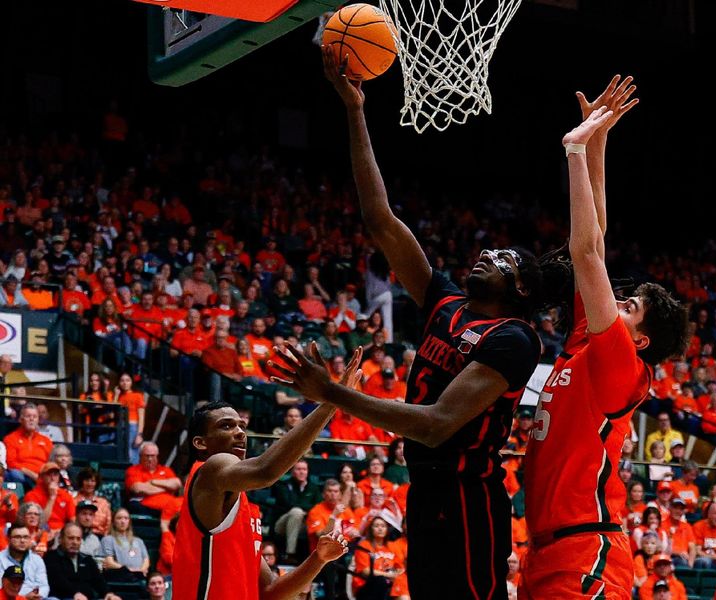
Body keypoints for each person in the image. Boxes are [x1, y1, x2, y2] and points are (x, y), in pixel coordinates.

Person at [275, 48, 552, 600]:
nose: (484, 256)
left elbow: (434, 423)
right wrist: (354, 109)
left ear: (520, 288)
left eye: (500, 260)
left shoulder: (515, 340)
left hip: (468, 493)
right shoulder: (443, 301)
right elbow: (379, 219)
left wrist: (330, 391)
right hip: (424, 491)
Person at [518, 86, 688, 599]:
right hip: (545, 550)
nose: (616, 304)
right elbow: (599, 237)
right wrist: (598, 142)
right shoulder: (586, 344)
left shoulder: (622, 366)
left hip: (585, 553)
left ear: (640, 339)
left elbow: (588, 252)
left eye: (629, 308)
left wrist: (573, 149)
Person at [171, 346, 361, 600]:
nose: (240, 432)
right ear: (200, 443)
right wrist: (331, 402)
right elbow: (265, 471)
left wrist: (319, 558)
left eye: (242, 425)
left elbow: (271, 591)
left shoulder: (240, 502)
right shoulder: (210, 470)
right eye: (226, 426)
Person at [44, 522, 122, 600]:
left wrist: (108, 594)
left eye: (78, 539)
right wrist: (75, 593)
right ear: (60, 539)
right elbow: (59, 581)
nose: (75, 542)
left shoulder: (87, 559)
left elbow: (99, 581)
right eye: (71, 538)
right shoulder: (51, 557)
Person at [124, 442, 183, 529]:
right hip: (146, 507)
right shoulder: (133, 470)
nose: (150, 459)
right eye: (147, 456)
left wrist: (153, 482)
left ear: (157, 456)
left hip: (171, 507)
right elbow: (138, 489)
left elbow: (177, 483)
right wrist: (167, 488)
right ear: (140, 456)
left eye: (153, 456)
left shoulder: (165, 470)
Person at [3, 403, 53, 489]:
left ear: (38, 420)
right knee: (15, 474)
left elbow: (51, 462)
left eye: (35, 417)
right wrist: (32, 474)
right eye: (28, 416)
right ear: (21, 419)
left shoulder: (46, 440)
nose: (31, 419)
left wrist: (42, 476)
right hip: (23, 476)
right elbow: (11, 463)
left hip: (42, 476)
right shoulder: (10, 439)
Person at [22, 461, 76, 535]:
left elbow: (73, 520)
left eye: (55, 475)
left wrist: (62, 532)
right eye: (49, 475)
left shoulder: (65, 495)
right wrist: (52, 497)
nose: (52, 478)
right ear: (42, 477)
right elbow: (40, 522)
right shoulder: (32, 495)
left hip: (61, 533)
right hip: (38, 531)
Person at [0, 524, 50, 599]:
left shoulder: (37, 559)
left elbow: (44, 586)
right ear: (8, 539)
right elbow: (2, 586)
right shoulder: (0, 558)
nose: (22, 541)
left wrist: (37, 595)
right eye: (17, 537)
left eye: (26, 537)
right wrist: (24, 597)